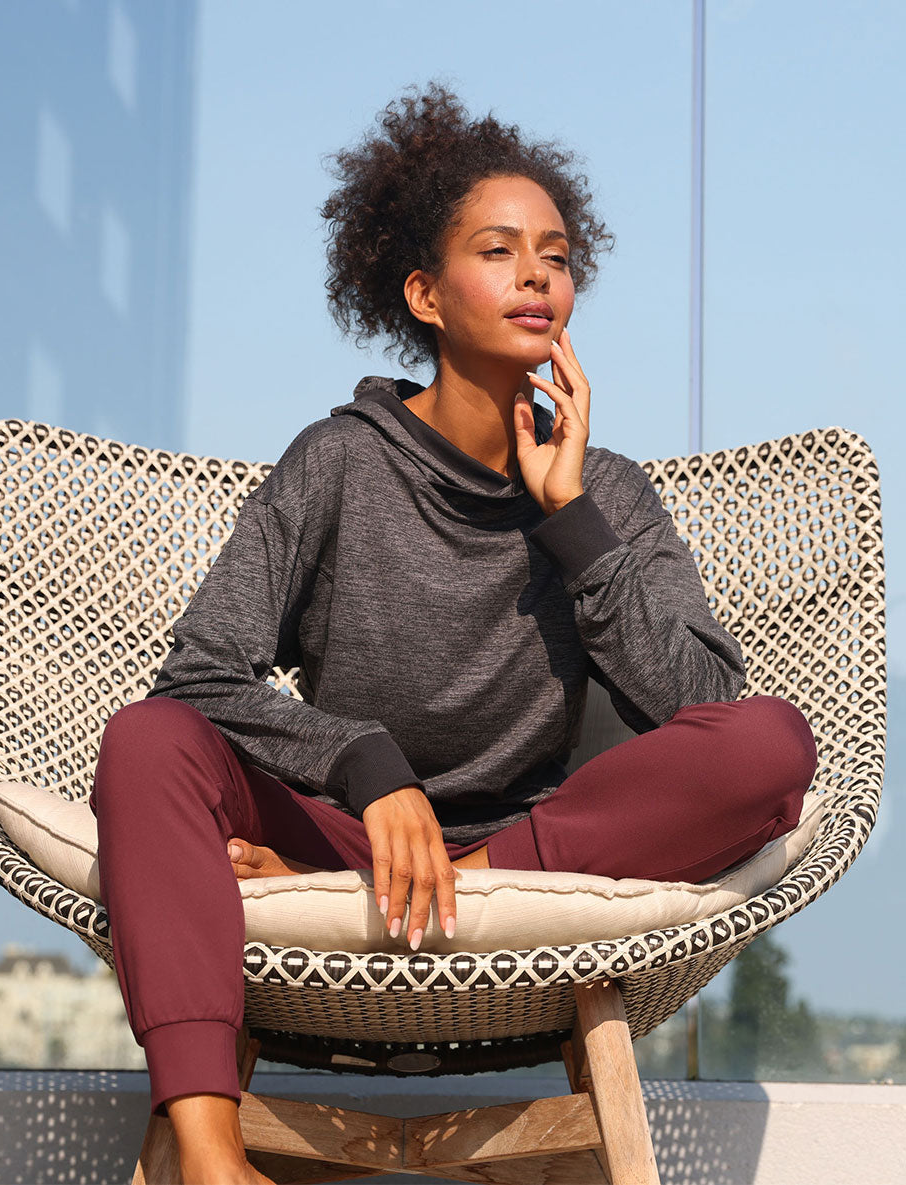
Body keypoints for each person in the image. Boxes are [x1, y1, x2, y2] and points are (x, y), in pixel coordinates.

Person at [90, 82, 818, 1185]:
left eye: (557, 256)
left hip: (525, 843)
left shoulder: (608, 493)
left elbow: (703, 706)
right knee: (146, 741)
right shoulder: (336, 463)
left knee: (774, 743)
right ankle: (205, 1148)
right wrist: (363, 763)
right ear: (424, 294)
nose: (538, 274)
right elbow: (200, 676)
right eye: (500, 250)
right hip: (351, 828)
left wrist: (573, 523)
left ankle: (451, 875)